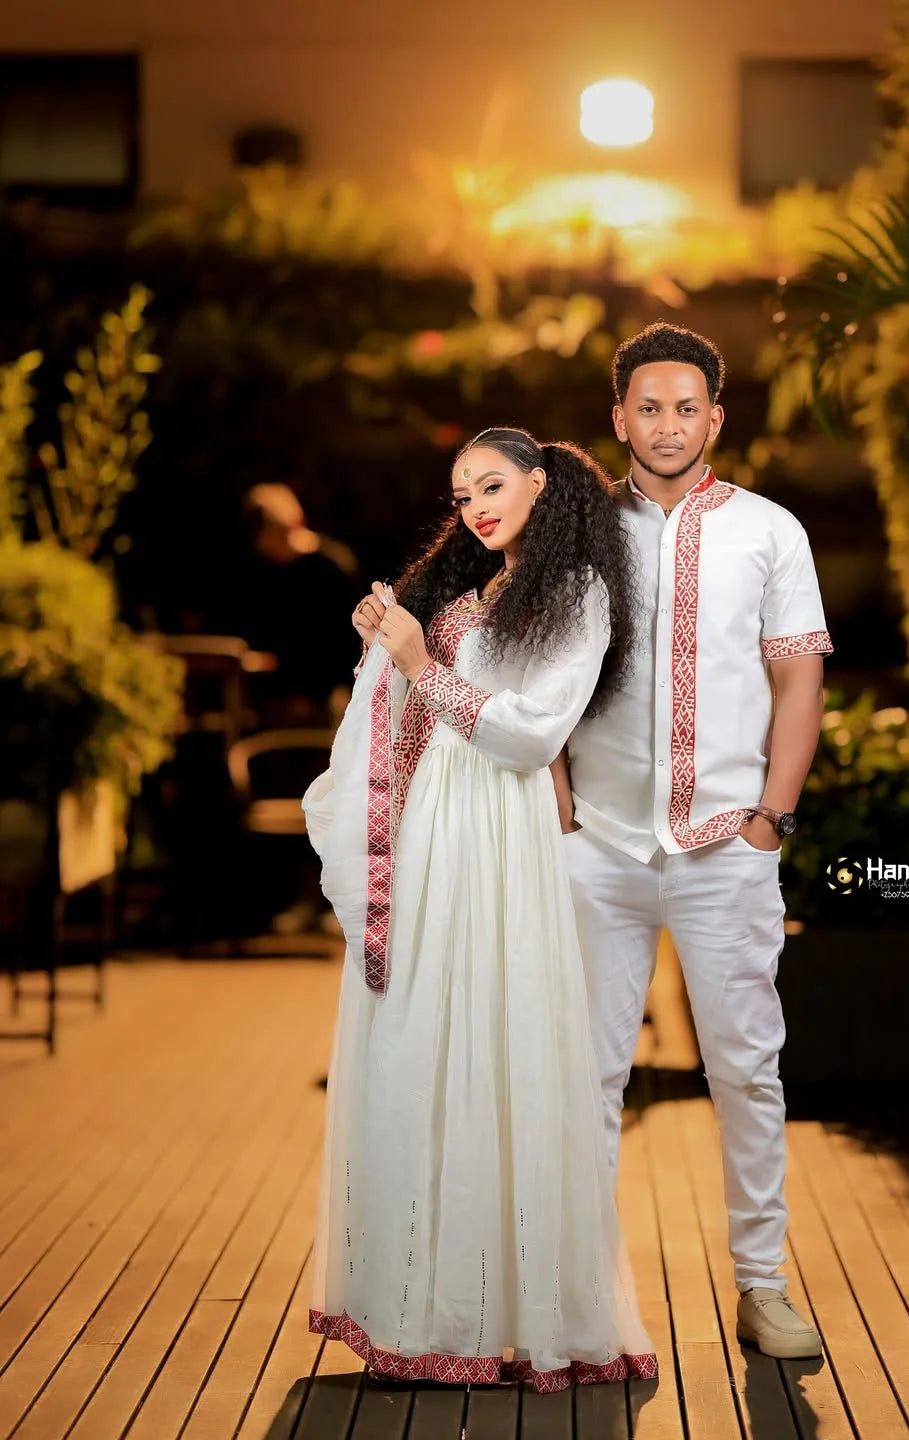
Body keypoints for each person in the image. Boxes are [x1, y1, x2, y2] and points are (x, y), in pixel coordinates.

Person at [302, 428, 657, 1390]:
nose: (474, 506)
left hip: (498, 833)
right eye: (461, 495)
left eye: (492, 485)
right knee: (421, 1035)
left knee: (494, 1045)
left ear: (542, 484)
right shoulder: (480, 590)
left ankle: (512, 1315)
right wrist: (386, 651)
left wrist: (419, 663)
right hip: (434, 829)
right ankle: (423, 1309)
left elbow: (532, 735)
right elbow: (421, 700)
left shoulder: (576, 593)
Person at [561, 322, 832, 1360]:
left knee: (748, 1072)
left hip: (728, 847)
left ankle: (762, 1287)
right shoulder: (575, 532)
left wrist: (773, 817)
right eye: (648, 407)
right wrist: (557, 797)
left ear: (714, 419)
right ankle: (578, 1296)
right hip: (598, 848)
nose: (667, 425)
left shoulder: (770, 531)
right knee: (582, 1076)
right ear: (618, 416)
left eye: (687, 408)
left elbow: (797, 676)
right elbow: (537, 669)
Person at [240, 483, 358, 727]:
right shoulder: (263, 572)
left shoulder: (333, 571)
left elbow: (345, 645)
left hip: (325, 700)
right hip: (272, 700)